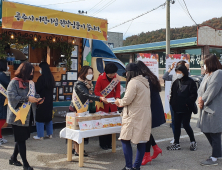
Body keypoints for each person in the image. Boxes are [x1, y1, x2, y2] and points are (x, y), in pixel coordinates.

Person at [7, 62, 43, 170]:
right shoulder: (14, 83)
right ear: (24, 71)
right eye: (30, 71)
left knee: (21, 138)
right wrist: (27, 99)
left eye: (33, 72)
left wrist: (37, 99)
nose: (32, 74)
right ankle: (26, 165)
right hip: (17, 116)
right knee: (21, 140)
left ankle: (13, 158)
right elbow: (12, 98)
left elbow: (33, 95)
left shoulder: (30, 83)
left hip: (28, 115)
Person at [115, 63, 151, 170]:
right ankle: (136, 167)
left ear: (129, 72)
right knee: (141, 140)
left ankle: (129, 167)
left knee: (125, 139)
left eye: (126, 73)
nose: (125, 75)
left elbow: (127, 100)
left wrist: (118, 101)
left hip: (133, 115)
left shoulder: (133, 82)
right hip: (144, 114)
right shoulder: (145, 82)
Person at [69, 66, 107, 156]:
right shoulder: (79, 84)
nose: (91, 75)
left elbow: (89, 96)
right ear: (83, 73)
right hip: (76, 109)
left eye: (91, 73)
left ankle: (75, 149)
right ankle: (78, 151)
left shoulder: (85, 84)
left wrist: (90, 87)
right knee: (78, 130)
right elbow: (87, 95)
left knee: (78, 129)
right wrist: (100, 98)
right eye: (88, 73)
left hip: (82, 109)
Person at [136, 61, 165, 165]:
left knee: (145, 131)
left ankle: (147, 155)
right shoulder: (151, 76)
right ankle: (155, 148)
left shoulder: (146, 79)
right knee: (146, 130)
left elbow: (144, 95)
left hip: (150, 108)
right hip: (153, 107)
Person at [197, 54, 222, 166]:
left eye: (205, 63)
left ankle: (214, 158)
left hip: (214, 109)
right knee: (206, 130)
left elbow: (212, 90)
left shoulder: (218, 73)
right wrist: (200, 99)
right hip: (206, 108)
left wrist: (202, 100)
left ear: (210, 63)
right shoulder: (208, 74)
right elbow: (200, 90)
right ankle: (218, 153)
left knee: (214, 133)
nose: (203, 66)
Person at [167, 64, 197, 151]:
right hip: (176, 108)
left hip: (186, 108)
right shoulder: (176, 82)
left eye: (179, 72)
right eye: (176, 72)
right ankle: (176, 143)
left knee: (186, 125)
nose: (178, 74)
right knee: (176, 125)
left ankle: (193, 141)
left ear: (184, 72)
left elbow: (194, 95)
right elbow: (173, 94)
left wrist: (187, 103)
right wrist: (172, 103)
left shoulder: (191, 82)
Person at [94, 62, 121, 150]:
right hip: (102, 104)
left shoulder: (116, 78)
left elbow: (118, 90)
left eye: (113, 73)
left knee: (111, 124)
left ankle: (110, 143)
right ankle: (102, 144)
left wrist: (117, 98)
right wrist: (102, 98)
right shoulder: (100, 78)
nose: (112, 75)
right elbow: (96, 91)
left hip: (112, 104)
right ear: (106, 72)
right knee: (102, 124)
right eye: (110, 74)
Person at [162, 60, 189, 144]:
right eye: (177, 67)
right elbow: (164, 77)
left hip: (184, 103)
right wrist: (171, 68)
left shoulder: (187, 76)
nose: (178, 69)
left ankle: (192, 138)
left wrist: (187, 69)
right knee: (174, 121)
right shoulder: (173, 76)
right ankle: (175, 138)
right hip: (174, 102)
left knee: (185, 122)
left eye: (180, 67)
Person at [33, 62, 55, 140]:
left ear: (42, 69)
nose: (39, 70)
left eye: (40, 68)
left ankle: (40, 135)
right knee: (48, 118)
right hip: (49, 101)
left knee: (40, 118)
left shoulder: (41, 78)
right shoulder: (51, 78)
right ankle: (50, 134)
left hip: (41, 100)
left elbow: (37, 89)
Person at [0, 59, 10, 146]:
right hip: (1, 99)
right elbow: (9, 84)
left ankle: (0, 137)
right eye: (7, 64)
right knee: (2, 119)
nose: (8, 66)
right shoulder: (2, 75)